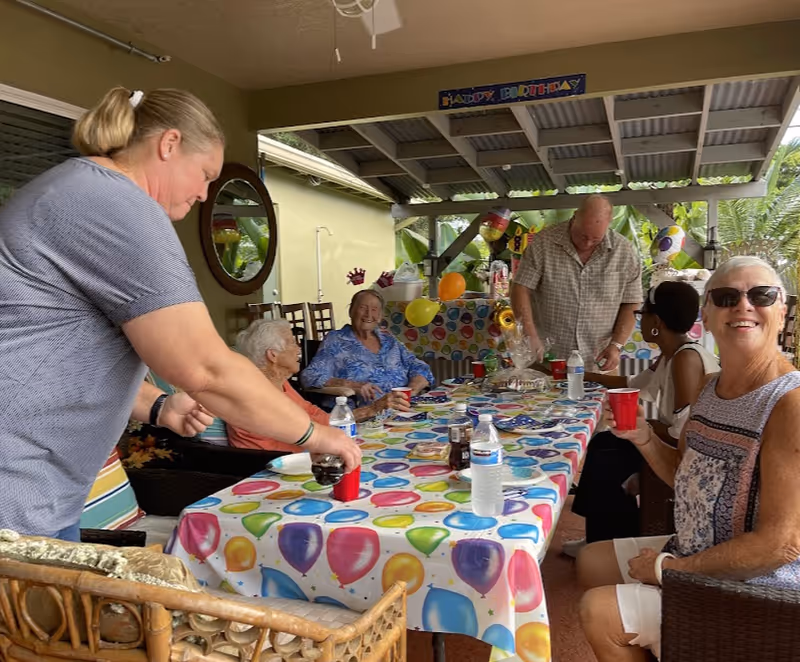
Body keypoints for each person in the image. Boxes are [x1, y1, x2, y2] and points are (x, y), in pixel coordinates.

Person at [0, 87, 359, 540]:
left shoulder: (76, 190)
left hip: (40, 493)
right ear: (168, 145)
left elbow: (56, 350)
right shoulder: (115, 204)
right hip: (15, 494)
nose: (206, 193)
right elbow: (207, 368)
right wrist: (317, 436)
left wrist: (159, 405)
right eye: (205, 173)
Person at [577, 256, 800, 661]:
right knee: (590, 562)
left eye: (761, 296)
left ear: (781, 313)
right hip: (693, 548)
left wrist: (669, 570)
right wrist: (642, 437)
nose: (744, 305)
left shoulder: (789, 404)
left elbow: (781, 545)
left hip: (755, 588)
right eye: (726, 296)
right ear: (708, 317)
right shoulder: (710, 389)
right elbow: (686, 472)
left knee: (598, 610)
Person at [563, 281, 718, 557]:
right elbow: (631, 383)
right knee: (604, 444)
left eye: (642, 314)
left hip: (685, 452)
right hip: (667, 439)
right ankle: (601, 539)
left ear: (656, 320)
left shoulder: (686, 360)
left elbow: (685, 431)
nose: (640, 322)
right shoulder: (670, 355)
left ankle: (611, 541)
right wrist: (579, 374)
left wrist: (644, 427)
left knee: (607, 455)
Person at [229, 319, 412, 451]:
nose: (299, 348)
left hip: (298, 457)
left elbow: (315, 416)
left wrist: (372, 410)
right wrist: (371, 410)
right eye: (293, 343)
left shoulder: (281, 383)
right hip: (265, 470)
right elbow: (309, 428)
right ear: (273, 355)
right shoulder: (255, 393)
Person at [511, 194, 642, 372]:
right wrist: (530, 335)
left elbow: (631, 303)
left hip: (597, 362)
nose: (587, 243)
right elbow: (520, 288)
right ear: (574, 217)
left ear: (608, 224)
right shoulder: (543, 243)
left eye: (595, 239)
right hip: (547, 358)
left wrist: (616, 345)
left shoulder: (624, 252)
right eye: (582, 235)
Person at [301, 289, 434, 407]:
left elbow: (418, 366)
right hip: (366, 414)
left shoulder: (389, 339)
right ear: (351, 311)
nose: (368, 314)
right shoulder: (336, 340)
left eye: (374, 309)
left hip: (403, 409)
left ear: (380, 316)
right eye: (363, 307)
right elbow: (310, 376)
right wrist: (353, 385)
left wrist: (411, 390)